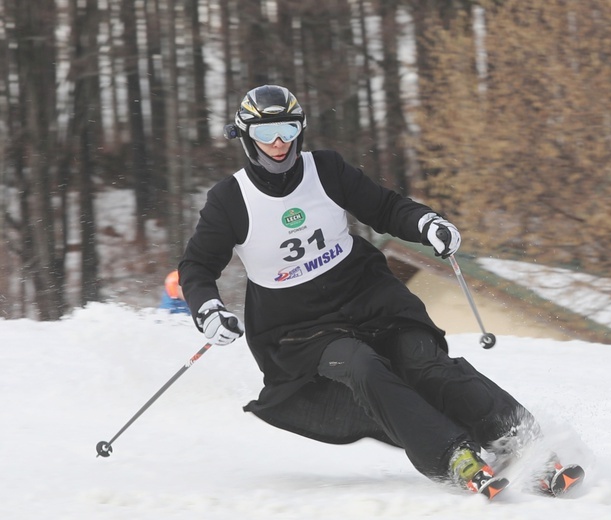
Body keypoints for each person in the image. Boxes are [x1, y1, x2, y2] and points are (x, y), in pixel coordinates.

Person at [178, 85, 576, 497]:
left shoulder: (327, 170)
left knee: (423, 362)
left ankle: (522, 441)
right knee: (362, 366)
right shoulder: (230, 199)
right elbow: (197, 265)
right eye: (265, 133)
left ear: (300, 130)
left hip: (367, 296)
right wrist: (207, 308)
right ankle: (454, 456)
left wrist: (426, 224)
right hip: (300, 326)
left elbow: (385, 208)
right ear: (246, 136)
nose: (278, 143)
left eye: (287, 129)